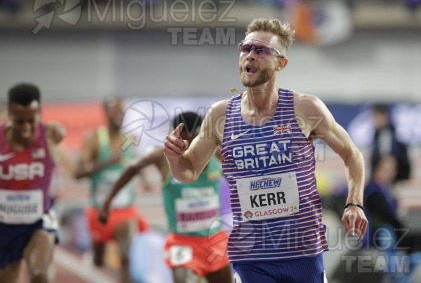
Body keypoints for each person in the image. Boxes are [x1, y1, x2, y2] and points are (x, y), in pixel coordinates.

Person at [163, 18, 368, 283]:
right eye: (245, 48)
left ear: (280, 63)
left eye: (260, 50)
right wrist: (173, 157)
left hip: (302, 251)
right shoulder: (220, 116)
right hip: (251, 257)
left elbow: (352, 154)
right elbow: (188, 170)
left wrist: (354, 203)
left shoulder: (305, 109)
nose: (249, 55)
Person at [98, 111, 232, 283]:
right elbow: (132, 168)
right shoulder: (161, 156)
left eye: (193, 139)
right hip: (182, 242)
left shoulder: (215, 152)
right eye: (182, 140)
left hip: (214, 241)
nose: (187, 145)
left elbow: (235, 176)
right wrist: (107, 202)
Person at [75, 96, 148, 283]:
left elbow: (133, 164)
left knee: (125, 257)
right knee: (99, 261)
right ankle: (93, 258)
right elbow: (79, 173)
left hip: (125, 210)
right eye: (113, 111)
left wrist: (145, 178)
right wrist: (107, 162)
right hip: (101, 211)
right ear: (105, 113)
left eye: (121, 111)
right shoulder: (94, 139)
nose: (118, 115)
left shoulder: (129, 140)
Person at [0, 82, 65, 283]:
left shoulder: (51, 134)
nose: (27, 128)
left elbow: (71, 167)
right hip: (4, 225)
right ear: (9, 113)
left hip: (39, 220)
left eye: (31, 120)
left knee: (39, 274)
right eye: (20, 122)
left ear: (40, 112)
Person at [364, 155, 421, 282]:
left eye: (392, 170)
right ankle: (393, 272)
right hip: (378, 233)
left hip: (394, 230)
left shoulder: (389, 191)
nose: (388, 173)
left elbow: (395, 215)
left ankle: (404, 275)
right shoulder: (372, 189)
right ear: (378, 169)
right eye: (385, 169)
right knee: (386, 233)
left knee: (420, 238)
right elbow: (384, 215)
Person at [370, 104, 411, 184]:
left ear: (384, 117)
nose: (374, 121)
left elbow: (389, 160)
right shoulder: (378, 135)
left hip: (387, 181)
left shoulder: (387, 134)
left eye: (376, 117)